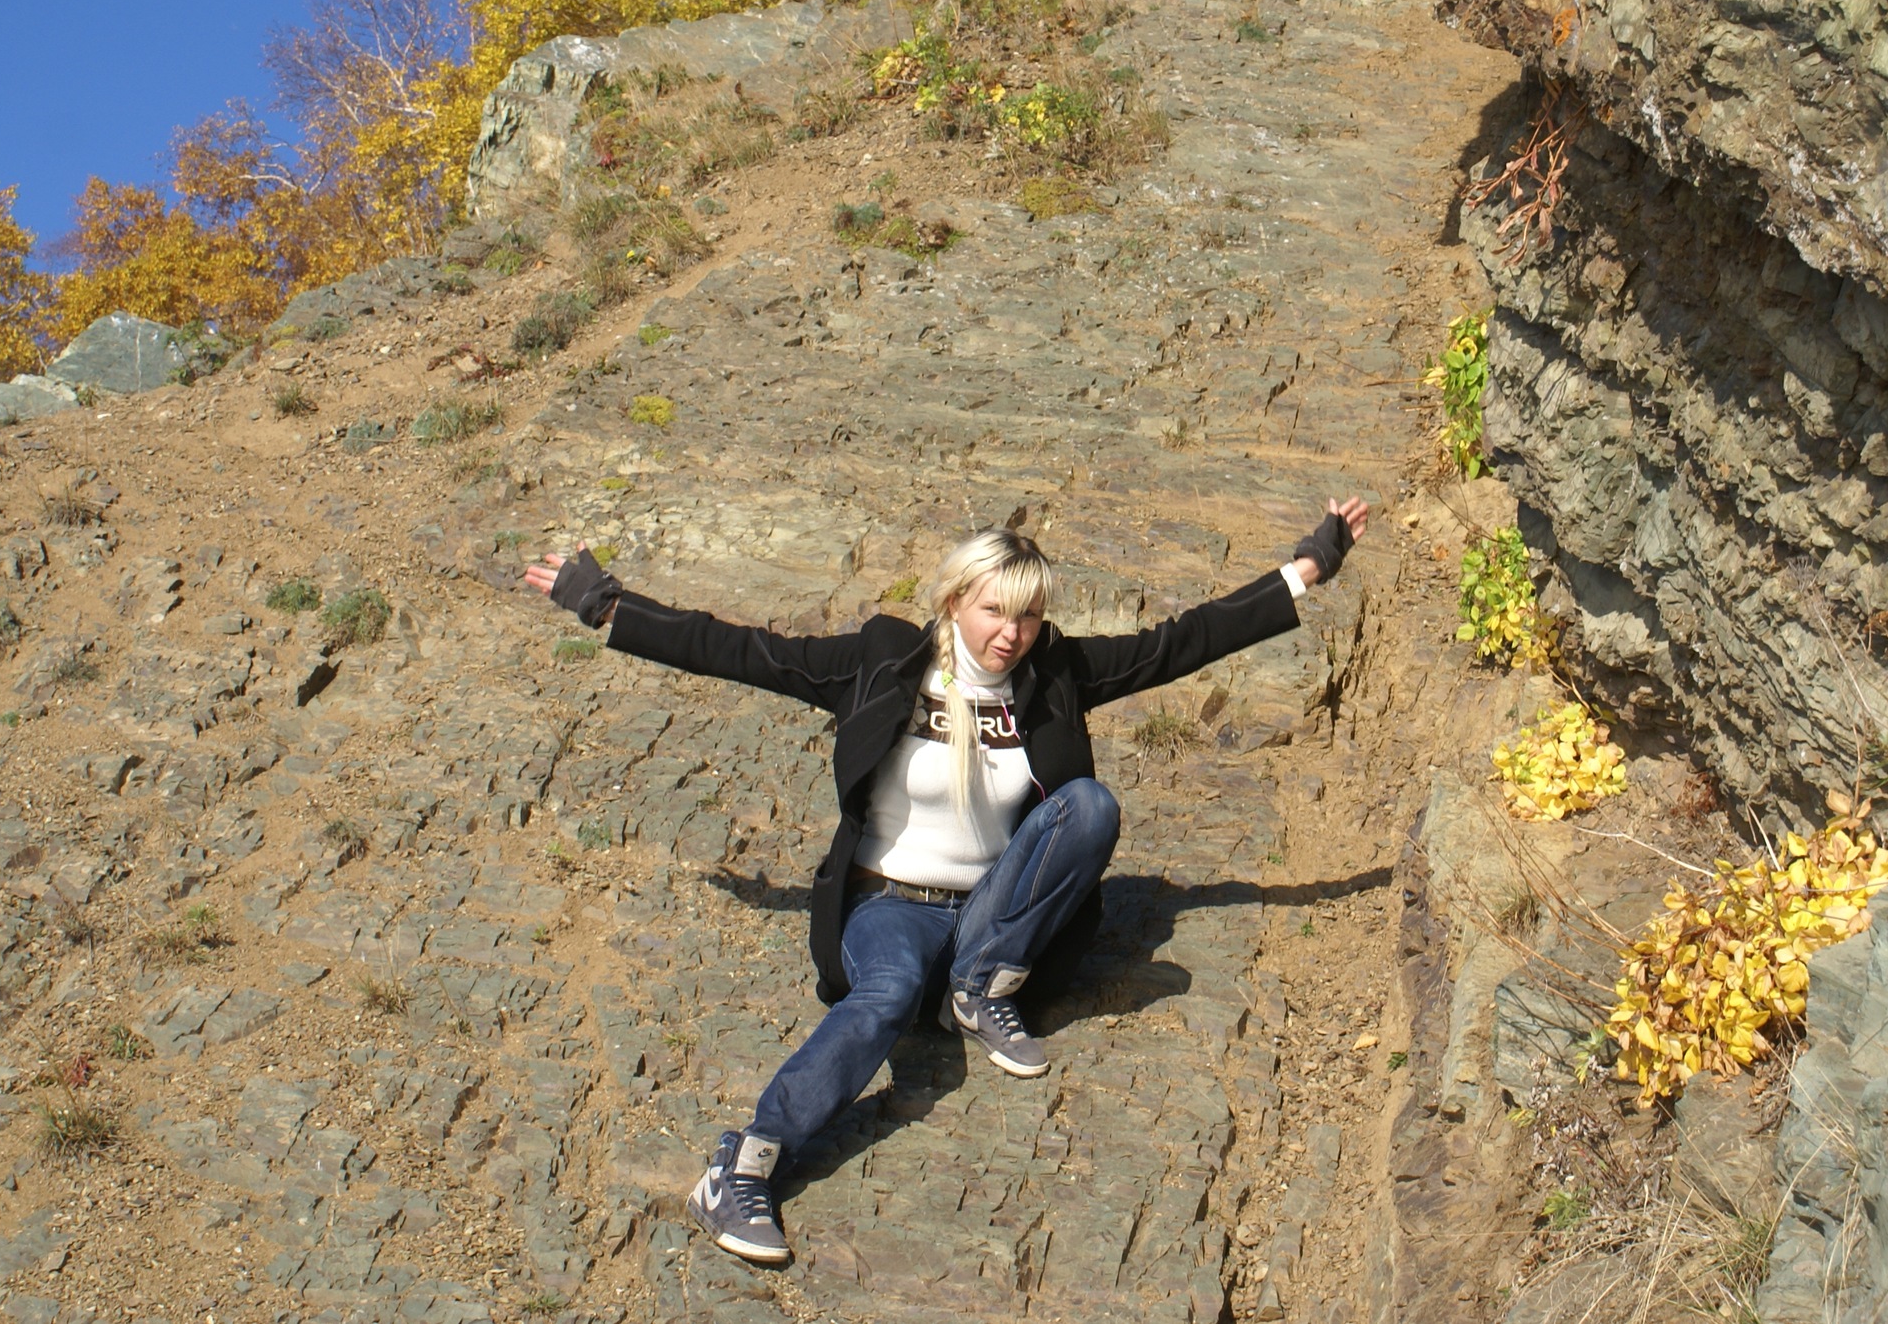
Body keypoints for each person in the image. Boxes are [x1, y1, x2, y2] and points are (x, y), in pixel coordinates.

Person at [521, 496, 1369, 1266]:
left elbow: (1182, 641)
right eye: (995, 610)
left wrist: (1308, 568)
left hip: (988, 919)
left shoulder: (1054, 675)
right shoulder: (885, 661)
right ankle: (744, 1165)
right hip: (888, 904)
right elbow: (744, 650)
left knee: (1089, 806)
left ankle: (980, 985)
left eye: (1028, 615)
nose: (1011, 633)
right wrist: (609, 606)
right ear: (956, 600)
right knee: (884, 995)